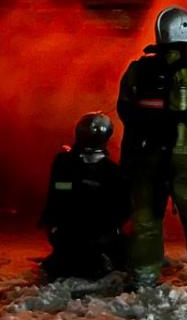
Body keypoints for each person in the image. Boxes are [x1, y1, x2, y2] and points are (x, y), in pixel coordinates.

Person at [117, 6, 187, 296]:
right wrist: (186, 123)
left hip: (145, 157)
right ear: (186, 34)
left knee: (145, 217)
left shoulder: (137, 70)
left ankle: (143, 277)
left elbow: (124, 110)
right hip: (184, 156)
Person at [39, 112, 131, 279]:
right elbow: (124, 211)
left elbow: (54, 202)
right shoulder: (113, 172)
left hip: (73, 237)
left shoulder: (63, 163)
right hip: (88, 238)